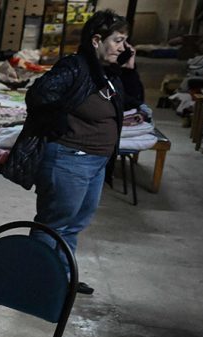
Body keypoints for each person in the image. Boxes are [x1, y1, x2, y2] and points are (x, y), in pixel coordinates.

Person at [22, 9, 129, 295]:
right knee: (54, 224)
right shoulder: (74, 67)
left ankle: (61, 276)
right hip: (69, 160)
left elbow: (133, 102)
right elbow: (38, 96)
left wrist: (128, 69)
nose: (122, 47)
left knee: (73, 224)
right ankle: (35, 282)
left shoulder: (107, 73)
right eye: (118, 40)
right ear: (97, 40)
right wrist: (61, 128)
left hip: (95, 162)